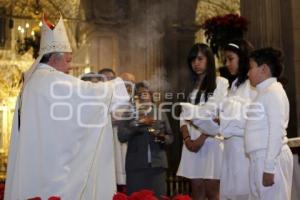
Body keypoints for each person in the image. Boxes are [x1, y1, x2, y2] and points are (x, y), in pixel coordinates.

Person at [4, 15, 129, 200]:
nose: (70, 68)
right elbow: (90, 95)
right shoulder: (51, 80)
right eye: (68, 61)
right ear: (54, 58)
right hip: (52, 173)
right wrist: (118, 85)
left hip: (35, 165)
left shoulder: (32, 83)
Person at [177, 43, 228, 200]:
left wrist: (201, 138)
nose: (196, 63)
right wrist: (187, 139)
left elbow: (212, 111)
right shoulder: (189, 84)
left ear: (209, 60)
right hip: (191, 140)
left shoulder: (220, 82)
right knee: (197, 191)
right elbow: (182, 115)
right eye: (193, 60)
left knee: (212, 191)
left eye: (200, 59)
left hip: (210, 140)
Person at [245, 47, 293, 200]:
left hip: (269, 157)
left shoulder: (273, 91)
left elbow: (276, 131)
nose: (248, 73)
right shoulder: (264, 92)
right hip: (260, 158)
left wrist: (268, 167)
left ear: (263, 69)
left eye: (251, 67)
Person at [117, 81, 173, 197]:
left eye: (146, 92)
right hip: (136, 166)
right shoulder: (129, 113)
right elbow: (121, 136)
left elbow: (171, 137)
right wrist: (139, 124)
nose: (144, 96)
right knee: (135, 197)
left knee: (158, 197)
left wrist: (161, 137)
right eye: (140, 93)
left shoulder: (160, 112)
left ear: (151, 94)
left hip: (158, 165)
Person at [219, 40, 256, 200]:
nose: (227, 64)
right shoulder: (233, 85)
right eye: (225, 60)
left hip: (243, 150)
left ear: (242, 58)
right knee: (230, 192)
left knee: (243, 192)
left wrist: (225, 116)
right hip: (229, 149)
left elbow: (252, 118)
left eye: (230, 59)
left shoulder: (251, 86)